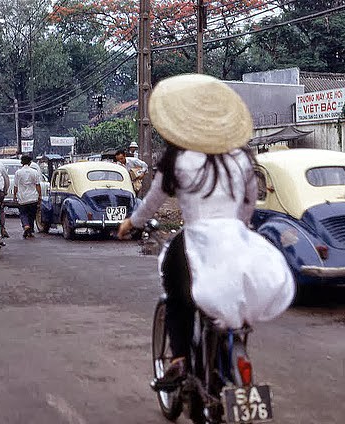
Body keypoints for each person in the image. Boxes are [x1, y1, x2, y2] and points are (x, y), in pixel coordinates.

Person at [117, 73, 294, 387]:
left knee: (177, 297)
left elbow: (151, 203)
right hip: (237, 237)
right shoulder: (240, 158)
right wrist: (238, 230)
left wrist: (132, 223)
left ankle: (180, 359)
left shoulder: (179, 159)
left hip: (194, 242)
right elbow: (249, 203)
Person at [13, 155, 42, 239]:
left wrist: (15, 196)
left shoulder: (18, 173)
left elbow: (16, 186)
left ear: (22, 162)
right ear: (30, 162)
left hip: (22, 198)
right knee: (32, 215)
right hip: (33, 197)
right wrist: (39, 195)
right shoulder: (34, 172)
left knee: (23, 214)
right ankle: (30, 231)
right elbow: (38, 185)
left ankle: (26, 226)